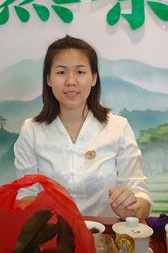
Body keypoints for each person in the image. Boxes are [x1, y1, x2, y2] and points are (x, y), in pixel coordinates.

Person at [14, 35, 152, 218]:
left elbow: (141, 196)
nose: (71, 81)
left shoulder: (118, 127)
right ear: (48, 79)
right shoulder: (31, 130)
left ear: (93, 78)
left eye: (80, 72)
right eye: (61, 72)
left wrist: (133, 208)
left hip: (104, 233)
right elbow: (25, 194)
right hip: (52, 233)